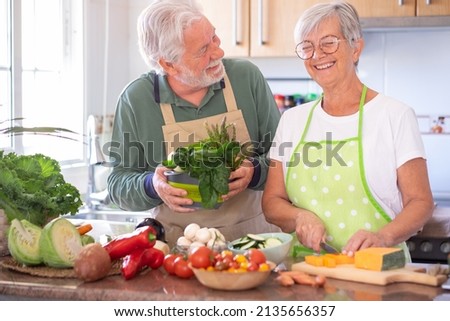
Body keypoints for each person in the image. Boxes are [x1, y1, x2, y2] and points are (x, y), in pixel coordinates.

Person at [261, 1, 434, 259]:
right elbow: (271, 202)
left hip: (378, 273)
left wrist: (383, 236)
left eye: (329, 42)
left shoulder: (394, 115)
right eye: (307, 47)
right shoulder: (291, 121)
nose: (317, 55)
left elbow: (421, 203)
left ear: (356, 48)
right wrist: (300, 216)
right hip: (307, 275)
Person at [106, 0, 281, 247]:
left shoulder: (246, 78)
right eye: (202, 50)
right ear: (168, 64)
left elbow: (284, 160)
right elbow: (117, 184)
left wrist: (255, 172)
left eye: (215, 37)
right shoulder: (137, 100)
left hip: (253, 241)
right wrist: (152, 185)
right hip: (179, 247)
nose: (218, 52)